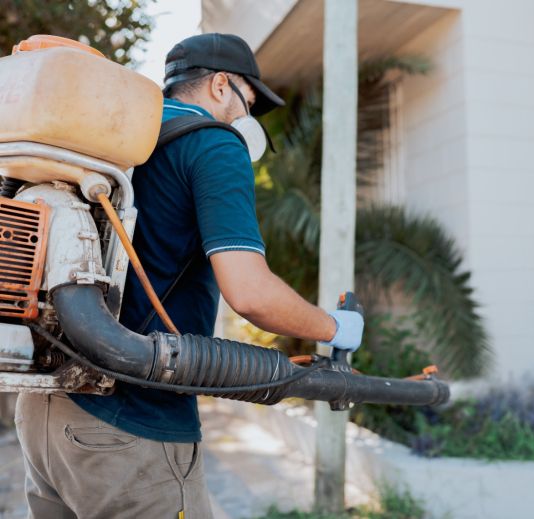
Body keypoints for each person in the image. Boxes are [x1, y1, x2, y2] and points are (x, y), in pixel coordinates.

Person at [14, 33, 363, 519]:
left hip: (46, 411)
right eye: (250, 103)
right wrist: (335, 328)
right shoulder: (214, 144)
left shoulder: (114, 140)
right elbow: (250, 293)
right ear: (222, 85)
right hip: (132, 424)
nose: (247, 119)